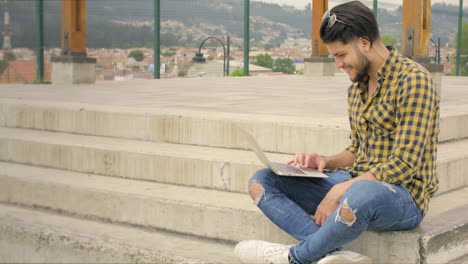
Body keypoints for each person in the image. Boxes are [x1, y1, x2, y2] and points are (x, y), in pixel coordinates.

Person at [234, 1, 440, 264]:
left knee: (360, 192)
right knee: (262, 181)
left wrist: (339, 190)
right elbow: (358, 149)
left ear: (364, 43)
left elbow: (404, 164)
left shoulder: (414, 81)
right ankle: (336, 256)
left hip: (403, 198)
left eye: (341, 55)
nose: (338, 64)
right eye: (334, 57)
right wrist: (325, 162)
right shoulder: (357, 87)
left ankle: (294, 258)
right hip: (354, 184)